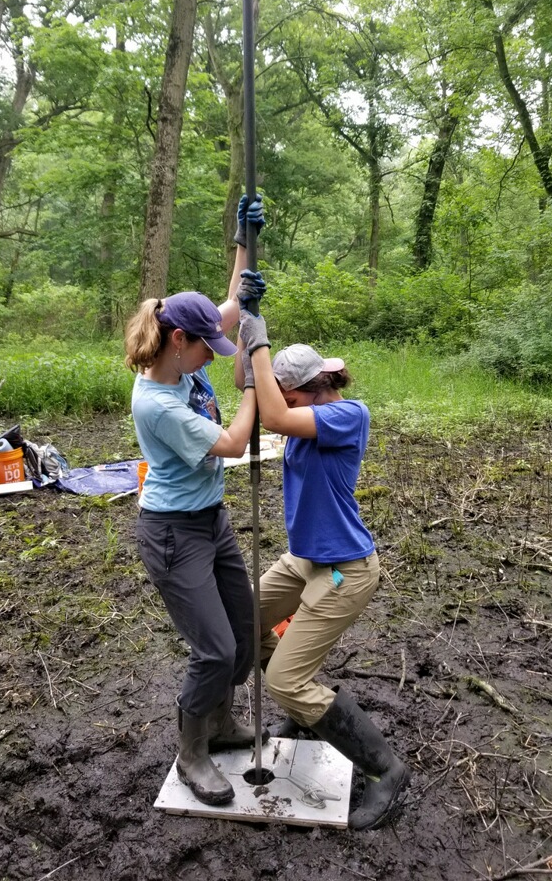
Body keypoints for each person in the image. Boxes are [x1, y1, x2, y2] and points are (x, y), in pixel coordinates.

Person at [237, 307, 411, 830]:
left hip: (344, 571)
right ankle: (308, 708)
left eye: (287, 397)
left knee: (286, 681)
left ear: (311, 389)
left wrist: (261, 340)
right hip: (303, 561)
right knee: (241, 621)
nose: (282, 406)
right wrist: (247, 335)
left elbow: (273, 416)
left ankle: (387, 772)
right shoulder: (305, 411)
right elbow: (260, 398)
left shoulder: (347, 414)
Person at [123, 197, 268, 808]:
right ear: (177, 342)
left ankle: (222, 722)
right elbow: (234, 444)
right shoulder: (158, 403)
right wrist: (258, 380)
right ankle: (191, 753)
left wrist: (244, 238)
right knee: (214, 648)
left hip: (212, 521)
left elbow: (229, 307)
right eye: (208, 345)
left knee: (244, 632)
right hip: (172, 534)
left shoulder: (183, 351)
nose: (217, 350)